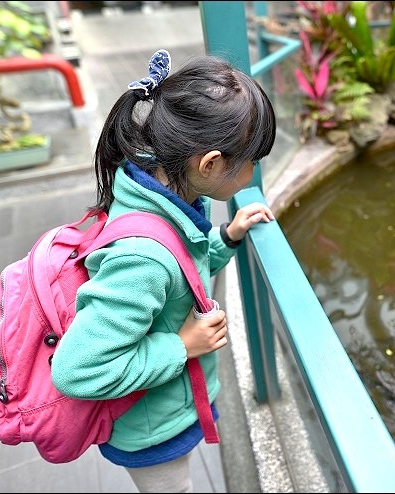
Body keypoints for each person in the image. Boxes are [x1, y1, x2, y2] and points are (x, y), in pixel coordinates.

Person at [50, 49, 276, 493]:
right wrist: (182, 346)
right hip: (150, 430)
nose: (253, 172)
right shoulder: (142, 258)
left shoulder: (163, 196)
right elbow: (76, 371)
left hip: (170, 407)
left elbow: (181, 273)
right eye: (252, 160)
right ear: (210, 164)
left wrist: (226, 237)